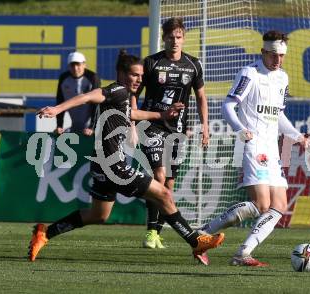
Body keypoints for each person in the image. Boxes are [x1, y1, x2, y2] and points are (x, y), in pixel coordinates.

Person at [28, 50, 224, 262]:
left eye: (141, 76)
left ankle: (45, 233)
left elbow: (132, 113)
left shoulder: (122, 96)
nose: (139, 80)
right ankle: (196, 241)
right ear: (121, 73)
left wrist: (162, 115)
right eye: (134, 75)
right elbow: (87, 96)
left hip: (102, 164)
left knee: (98, 215)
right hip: (114, 166)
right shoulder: (117, 89)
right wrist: (58, 109)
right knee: (164, 194)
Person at [197, 30, 310, 266]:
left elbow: (278, 114)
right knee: (261, 205)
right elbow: (228, 105)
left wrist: (298, 137)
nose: (277, 60)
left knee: (279, 206)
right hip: (252, 145)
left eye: (281, 56)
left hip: (271, 149)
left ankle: (243, 253)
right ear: (263, 52)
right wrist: (240, 129)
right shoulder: (250, 73)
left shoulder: (283, 78)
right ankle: (203, 233)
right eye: (272, 55)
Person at [132, 17, 209, 250]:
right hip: (152, 126)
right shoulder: (152, 63)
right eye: (170, 37)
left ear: (183, 38)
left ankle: (156, 231)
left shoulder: (193, 64)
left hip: (177, 131)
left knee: (169, 186)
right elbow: (135, 90)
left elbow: (201, 97)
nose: (174, 41)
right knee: (160, 177)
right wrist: (133, 117)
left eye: (178, 37)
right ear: (163, 38)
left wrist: (205, 126)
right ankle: (150, 233)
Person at [55, 51, 101, 136]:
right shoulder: (64, 78)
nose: (75, 68)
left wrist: (92, 127)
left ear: (84, 64)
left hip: (91, 128)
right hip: (74, 125)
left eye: (78, 65)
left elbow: (96, 104)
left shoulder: (93, 77)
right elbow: (60, 101)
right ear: (69, 66)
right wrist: (59, 125)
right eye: (72, 65)